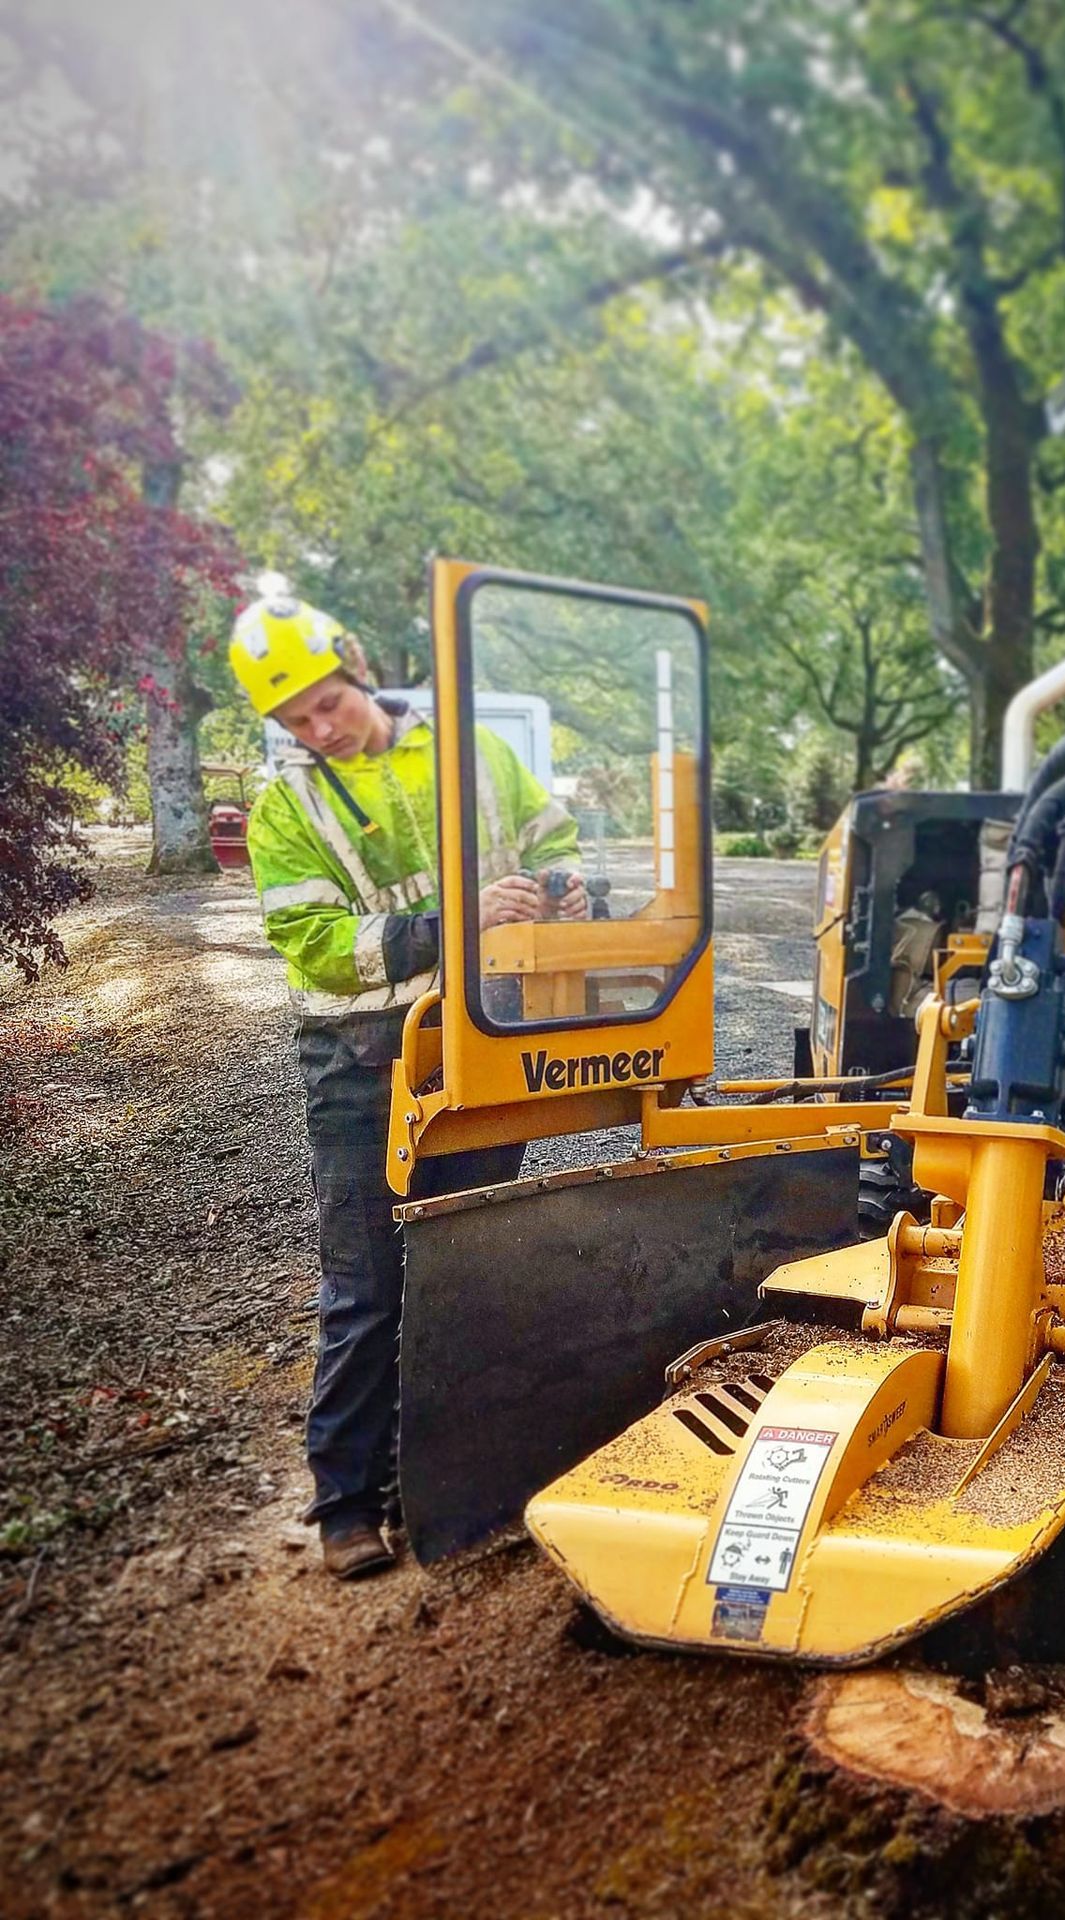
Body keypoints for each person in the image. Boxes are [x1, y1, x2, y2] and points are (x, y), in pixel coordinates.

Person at [231, 574, 586, 1579]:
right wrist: (453, 925)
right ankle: (345, 1500)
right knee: (369, 1284)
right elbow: (312, 945)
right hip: (360, 1065)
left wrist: (561, 884)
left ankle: (440, 1482)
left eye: (328, 703)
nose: (319, 729)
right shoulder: (284, 807)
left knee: (467, 1263)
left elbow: (552, 836)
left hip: (480, 1043)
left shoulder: (474, 750)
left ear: (360, 670)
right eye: (296, 719)